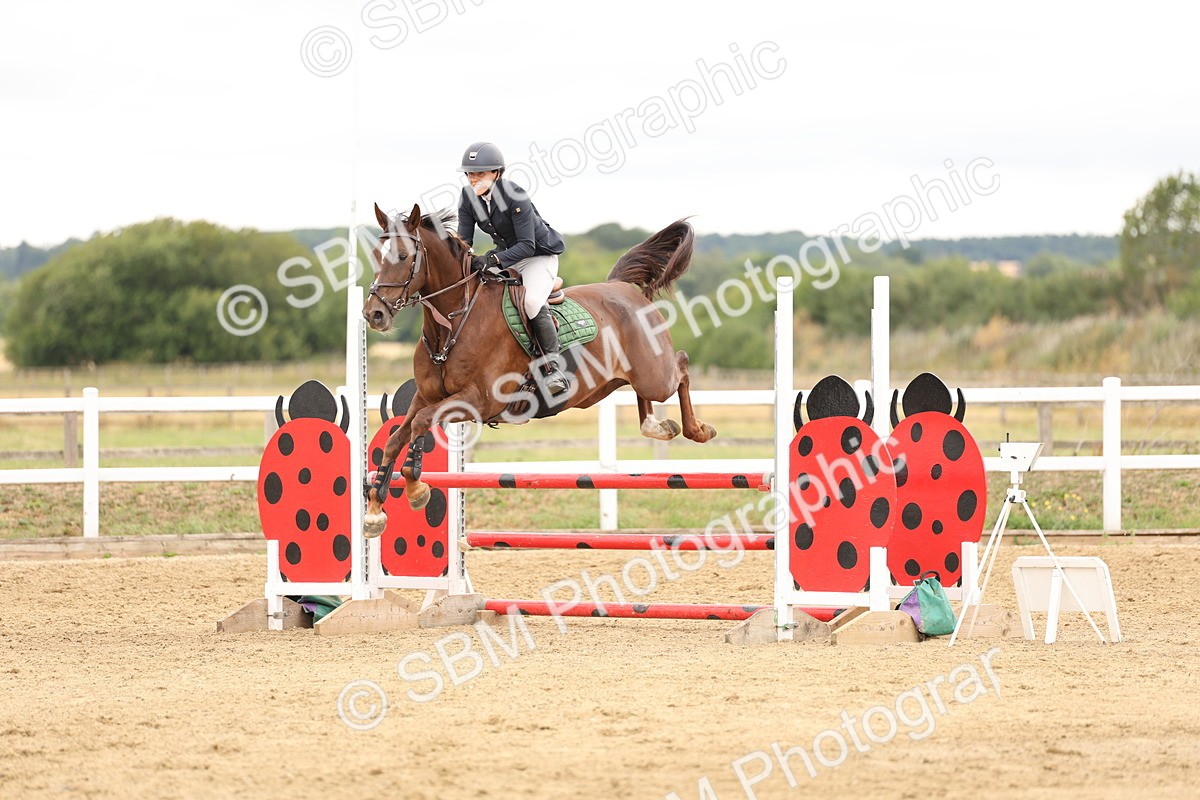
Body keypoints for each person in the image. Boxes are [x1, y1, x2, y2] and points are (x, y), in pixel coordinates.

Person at [456, 141, 570, 396]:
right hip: (508, 257)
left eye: (480, 173)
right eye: (470, 174)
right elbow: (464, 241)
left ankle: (552, 368)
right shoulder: (467, 197)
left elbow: (527, 245)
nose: (473, 179)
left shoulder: (514, 195)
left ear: (497, 173)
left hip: (538, 256)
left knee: (531, 302)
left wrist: (492, 260)